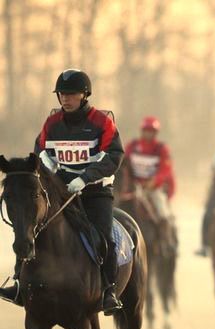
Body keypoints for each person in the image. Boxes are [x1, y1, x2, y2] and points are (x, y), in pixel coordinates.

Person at [0, 69, 124, 313]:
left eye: (71, 94)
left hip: (95, 192)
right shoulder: (52, 123)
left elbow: (114, 156)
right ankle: (18, 282)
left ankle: (109, 290)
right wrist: (52, 177)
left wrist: (85, 178)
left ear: (84, 95)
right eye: (62, 94)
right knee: (29, 226)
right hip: (60, 191)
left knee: (103, 237)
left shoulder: (102, 122)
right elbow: (41, 153)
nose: (65, 99)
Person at [122, 116, 175, 238]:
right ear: (142, 131)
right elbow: (124, 163)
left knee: (163, 214)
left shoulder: (161, 149)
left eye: (152, 131)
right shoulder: (132, 146)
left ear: (156, 133)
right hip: (133, 188)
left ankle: (165, 243)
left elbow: (166, 169)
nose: (149, 134)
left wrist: (154, 181)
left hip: (153, 189)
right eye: (146, 130)